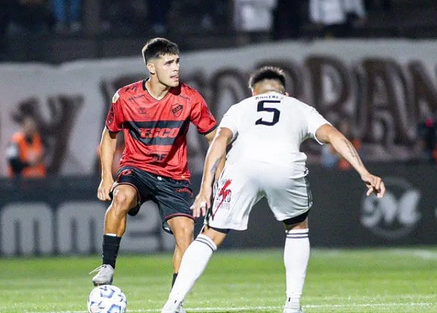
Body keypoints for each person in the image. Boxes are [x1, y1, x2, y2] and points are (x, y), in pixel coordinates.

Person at [161, 66, 386, 313]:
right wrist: (364, 171)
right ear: (284, 92)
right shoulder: (300, 107)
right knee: (297, 227)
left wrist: (205, 188)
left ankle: (172, 304)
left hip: (242, 167)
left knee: (210, 234)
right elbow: (335, 136)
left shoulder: (240, 108)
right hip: (285, 166)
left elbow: (219, 141)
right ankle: (293, 304)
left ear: (253, 92)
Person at [90, 38, 218, 298]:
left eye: (177, 62)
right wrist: (106, 177)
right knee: (122, 196)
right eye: (168, 63)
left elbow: (215, 139)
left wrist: (214, 180)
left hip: (174, 177)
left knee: (186, 232)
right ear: (151, 67)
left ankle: (175, 301)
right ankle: (107, 265)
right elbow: (109, 135)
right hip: (137, 169)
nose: (176, 68)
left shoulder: (190, 98)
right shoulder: (126, 97)